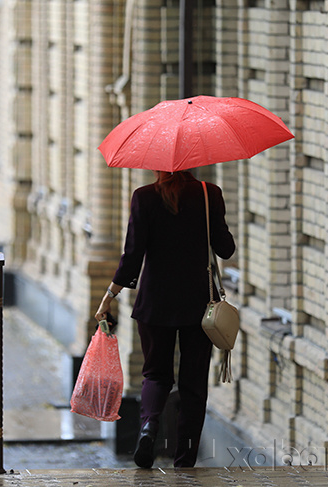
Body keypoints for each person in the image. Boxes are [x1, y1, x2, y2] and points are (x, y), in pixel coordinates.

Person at [94, 170, 235, 469]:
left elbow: (132, 255)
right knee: (193, 385)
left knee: (156, 375)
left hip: (155, 303)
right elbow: (226, 249)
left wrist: (110, 295)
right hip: (199, 306)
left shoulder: (143, 197)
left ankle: (148, 428)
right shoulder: (209, 194)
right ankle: (184, 461)